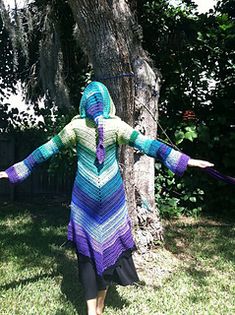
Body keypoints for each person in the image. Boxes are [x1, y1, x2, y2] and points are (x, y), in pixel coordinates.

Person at [0, 81, 213, 315]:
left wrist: (11, 172)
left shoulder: (75, 128)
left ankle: (92, 311)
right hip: (112, 199)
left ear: (84, 103)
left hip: (84, 202)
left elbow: (44, 151)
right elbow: (149, 145)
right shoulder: (117, 126)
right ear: (108, 102)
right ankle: (99, 309)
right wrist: (186, 161)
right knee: (108, 253)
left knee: (87, 254)